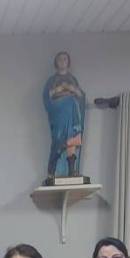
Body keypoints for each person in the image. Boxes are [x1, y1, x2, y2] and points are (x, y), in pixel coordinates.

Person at [43, 50, 85, 180]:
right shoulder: (52, 80)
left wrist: (72, 88)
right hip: (59, 114)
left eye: (65, 59)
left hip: (71, 117)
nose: (62, 61)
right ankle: (51, 171)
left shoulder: (72, 79)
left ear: (68, 62)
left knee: (72, 138)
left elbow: (80, 96)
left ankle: (72, 170)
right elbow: (48, 96)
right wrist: (60, 89)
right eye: (60, 59)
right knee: (58, 140)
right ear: (56, 62)